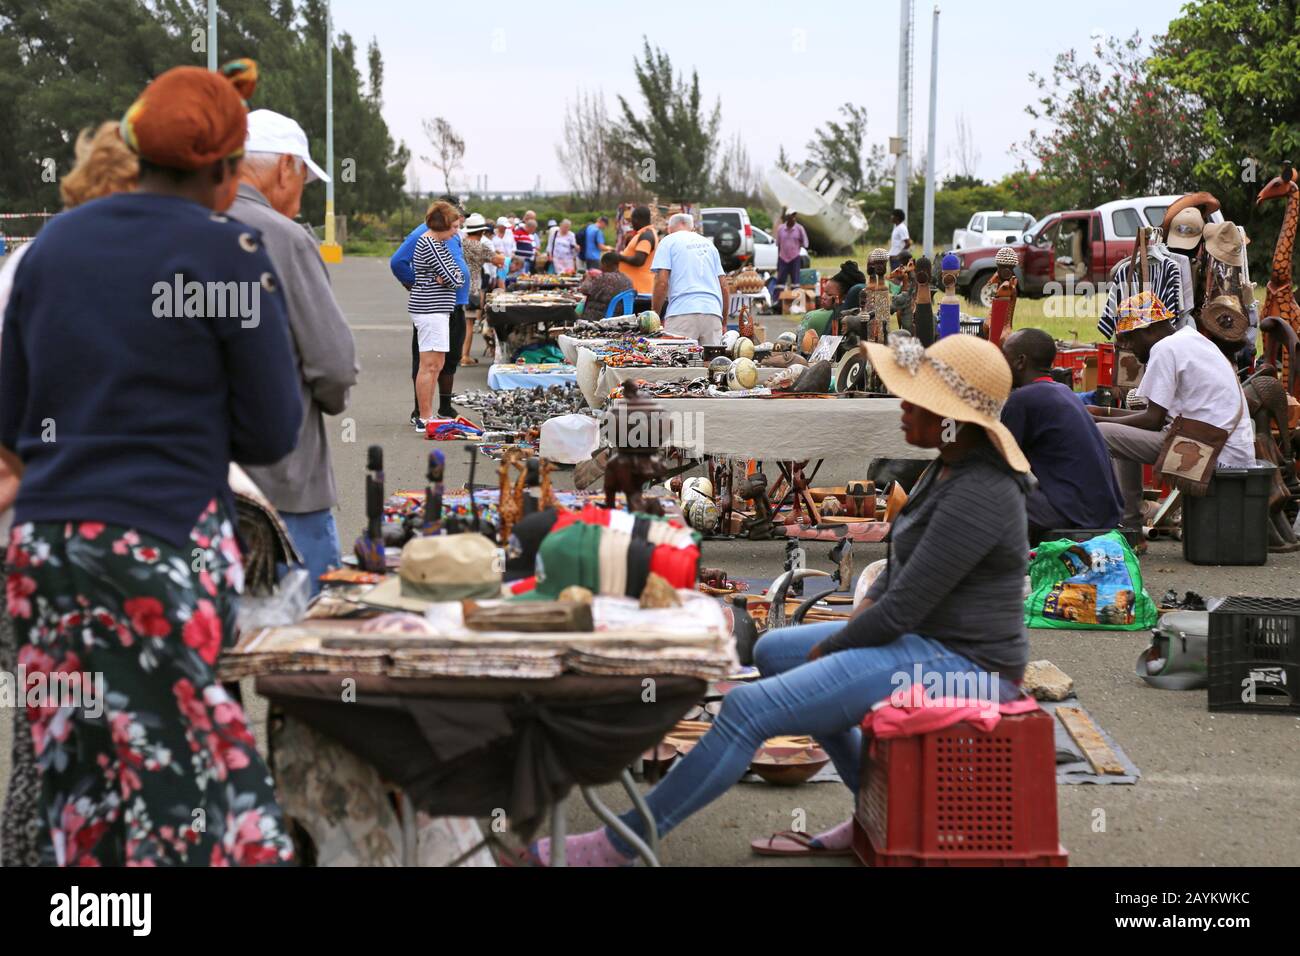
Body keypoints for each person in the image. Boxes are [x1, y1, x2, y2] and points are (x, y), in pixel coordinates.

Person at [529, 333, 1030, 866]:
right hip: (925, 638)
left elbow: (904, 609)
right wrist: (856, 619)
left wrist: (840, 642)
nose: (901, 406)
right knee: (773, 651)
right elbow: (903, 572)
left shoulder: (980, 492)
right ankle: (871, 806)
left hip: (967, 663)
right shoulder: (946, 464)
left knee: (748, 708)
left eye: (914, 399)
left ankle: (620, 844)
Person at [0, 62, 301, 866]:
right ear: (231, 171)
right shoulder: (231, 254)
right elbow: (273, 431)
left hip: (43, 557)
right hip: (157, 548)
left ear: (134, 146)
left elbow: (13, 420)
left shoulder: (52, 246)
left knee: (80, 788)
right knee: (195, 792)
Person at [0, 120, 139, 868]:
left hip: (29, 541)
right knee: (116, 739)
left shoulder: (27, 263)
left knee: (45, 733)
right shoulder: (131, 266)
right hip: (98, 540)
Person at [230, 110, 359, 595]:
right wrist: (332, 400)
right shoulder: (284, 239)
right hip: (283, 486)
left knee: (207, 646)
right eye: (303, 177)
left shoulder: (178, 228)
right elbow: (333, 365)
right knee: (300, 647)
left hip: (189, 488)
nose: (301, 192)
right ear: (285, 166)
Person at [1090, 304, 1254, 542]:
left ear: (1146, 330)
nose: (1128, 349)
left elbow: (1152, 420)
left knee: (1100, 433)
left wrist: (1096, 418)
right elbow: (1155, 417)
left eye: (1129, 340)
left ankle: (1124, 525)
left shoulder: (1164, 349)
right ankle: (1130, 526)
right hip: (1223, 446)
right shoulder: (1188, 339)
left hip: (1213, 452)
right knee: (1117, 434)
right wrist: (1101, 410)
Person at [1001, 329, 1123, 544]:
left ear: (1020, 362)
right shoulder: (1065, 392)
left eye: (1004, 358)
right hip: (1103, 512)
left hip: (1073, 514)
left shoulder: (1022, 400)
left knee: (982, 490)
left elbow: (999, 462)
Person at [408, 200, 465, 430]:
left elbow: (457, 275)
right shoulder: (430, 243)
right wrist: (445, 278)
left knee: (437, 364)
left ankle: (428, 414)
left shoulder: (439, 244)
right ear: (442, 225)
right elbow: (455, 278)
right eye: (454, 226)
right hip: (430, 310)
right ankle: (425, 416)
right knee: (429, 365)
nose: (456, 231)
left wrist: (449, 277)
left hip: (438, 310)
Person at [651, 213, 728, 346]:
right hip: (712, 313)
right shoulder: (709, 245)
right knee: (713, 364)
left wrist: (655, 316)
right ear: (693, 229)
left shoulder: (668, 241)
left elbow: (661, 282)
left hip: (681, 313)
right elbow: (724, 287)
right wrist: (724, 322)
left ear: (669, 229)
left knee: (677, 363)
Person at [460, 213, 501, 365]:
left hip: (457, 287)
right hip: (472, 289)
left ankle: (455, 354)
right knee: (468, 324)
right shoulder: (479, 246)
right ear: (482, 231)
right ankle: (464, 356)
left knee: (457, 322)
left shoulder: (461, 243)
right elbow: (498, 260)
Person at [798, 260, 865, 337]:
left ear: (845, 297)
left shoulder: (837, 316)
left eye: (829, 294)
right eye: (824, 291)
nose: (823, 296)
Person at [616, 204, 657, 311]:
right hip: (637, 290)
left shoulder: (646, 236)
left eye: (632, 219)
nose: (631, 223)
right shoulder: (644, 234)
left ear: (637, 219)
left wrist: (619, 257)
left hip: (641, 291)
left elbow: (639, 260)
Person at [579, 251, 634, 317]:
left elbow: (584, 290)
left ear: (604, 264)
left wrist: (588, 277)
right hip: (620, 316)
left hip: (600, 317)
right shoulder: (628, 279)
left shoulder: (603, 278)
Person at [775, 211, 808, 288]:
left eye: (794, 217)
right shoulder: (781, 229)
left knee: (795, 282)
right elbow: (778, 245)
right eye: (791, 216)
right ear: (787, 217)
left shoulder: (799, 228)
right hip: (782, 258)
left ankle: (795, 299)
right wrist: (778, 260)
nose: (793, 218)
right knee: (780, 283)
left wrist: (798, 247)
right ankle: (779, 299)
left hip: (795, 258)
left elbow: (805, 243)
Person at [491, 216, 515, 289]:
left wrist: (511, 257)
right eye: (503, 226)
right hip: (495, 260)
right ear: (499, 226)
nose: (505, 228)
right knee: (494, 280)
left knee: (502, 279)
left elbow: (514, 246)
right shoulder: (492, 234)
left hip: (507, 260)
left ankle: (502, 291)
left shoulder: (509, 233)